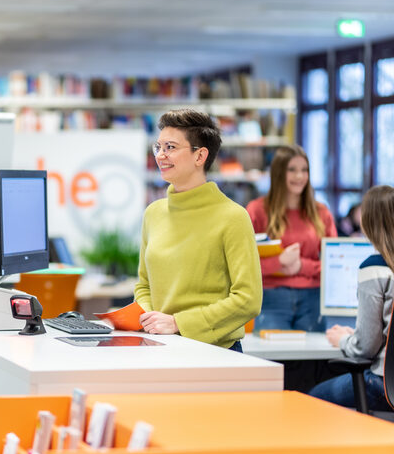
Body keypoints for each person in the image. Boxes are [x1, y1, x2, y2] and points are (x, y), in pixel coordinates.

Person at [134, 109, 262, 351]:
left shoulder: (233, 217)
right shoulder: (154, 213)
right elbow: (143, 285)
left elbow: (248, 300)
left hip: (215, 351)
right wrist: (152, 320)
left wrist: (178, 323)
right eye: (158, 147)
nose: (160, 155)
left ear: (200, 155)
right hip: (158, 344)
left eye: (170, 147)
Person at [308, 186, 394, 410]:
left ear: (366, 221)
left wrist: (341, 339)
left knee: (311, 397)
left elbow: (365, 347)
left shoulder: (373, 268)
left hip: (386, 385)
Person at [246, 145, 337, 332]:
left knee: (311, 360)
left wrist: (301, 266)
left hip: (312, 301)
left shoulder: (321, 213)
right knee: (275, 359)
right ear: (279, 173)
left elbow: (334, 263)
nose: (300, 176)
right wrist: (278, 263)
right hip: (270, 299)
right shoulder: (256, 211)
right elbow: (243, 264)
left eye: (304, 170)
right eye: (292, 170)